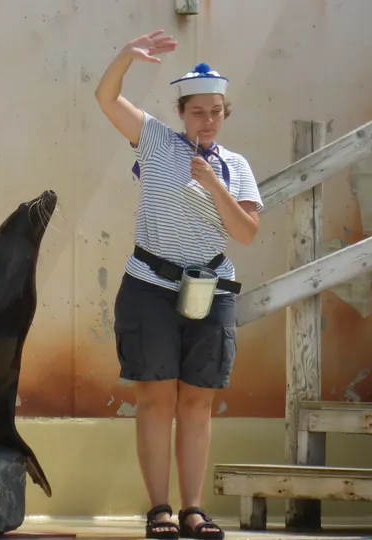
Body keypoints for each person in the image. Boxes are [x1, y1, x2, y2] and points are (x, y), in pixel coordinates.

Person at [94, 30, 264, 539]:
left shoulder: (236, 167)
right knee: (155, 399)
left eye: (215, 111)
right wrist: (125, 55)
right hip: (150, 284)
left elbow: (246, 233)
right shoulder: (154, 140)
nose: (207, 120)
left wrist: (213, 185)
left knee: (197, 400)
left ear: (224, 113)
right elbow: (106, 98)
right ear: (182, 111)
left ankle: (193, 509)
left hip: (210, 290)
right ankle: (160, 510)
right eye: (197, 111)